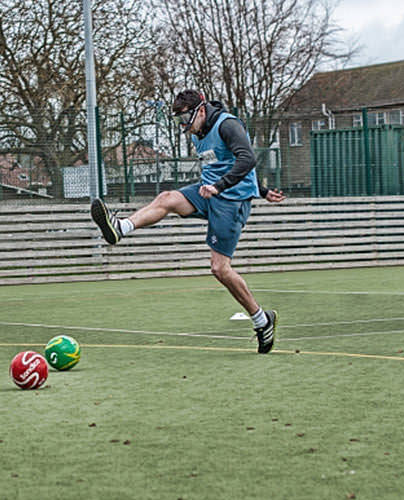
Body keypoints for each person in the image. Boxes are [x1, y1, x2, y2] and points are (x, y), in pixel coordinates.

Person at [90, 90, 286, 353]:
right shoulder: (198, 132)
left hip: (231, 201)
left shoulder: (227, 125)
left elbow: (247, 158)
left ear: (202, 110)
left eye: (186, 118)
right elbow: (227, 161)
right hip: (210, 192)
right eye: (178, 120)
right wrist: (261, 190)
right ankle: (121, 227)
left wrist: (228, 187)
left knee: (219, 268)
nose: (184, 126)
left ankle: (262, 320)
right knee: (167, 198)